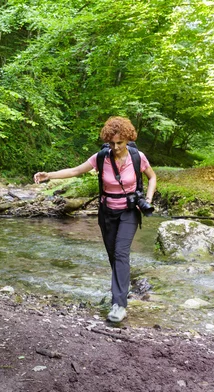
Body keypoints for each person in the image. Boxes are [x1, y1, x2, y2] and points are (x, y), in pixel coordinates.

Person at [33, 116, 157, 322]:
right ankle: (120, 290)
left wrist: (148, 199)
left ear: (128, 140)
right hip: (107, 212)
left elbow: (152, 177)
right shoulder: (101, 157)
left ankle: (118, 304)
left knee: (121, 252)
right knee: (113, 255)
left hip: (129, 211)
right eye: (112, 143)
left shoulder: (138, 157)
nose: (116, 147)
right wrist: (49, 176)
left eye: (120, 143)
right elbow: (75, 170)